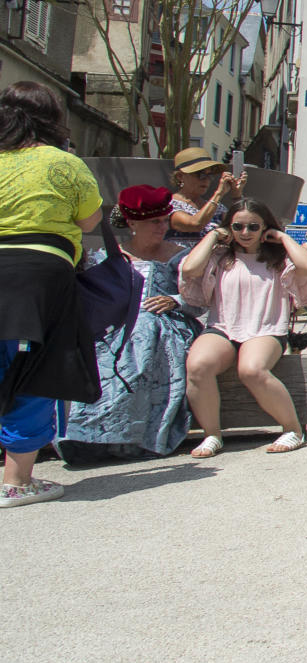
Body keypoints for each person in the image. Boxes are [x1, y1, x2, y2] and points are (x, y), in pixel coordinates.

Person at [0, 81, 103, 507]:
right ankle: (16, 480)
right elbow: (90, 219)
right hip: (40, 274)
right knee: (32, 366)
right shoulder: (64, 164)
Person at [59, 185, 203, 462]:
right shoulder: (105, 256)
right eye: (154, 222)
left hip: (164, 326)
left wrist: (175, 300)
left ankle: (133, 438)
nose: (162, 227)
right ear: (133, 223)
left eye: (164, 220)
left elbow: (202, 300)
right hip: (113, 326)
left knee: (143, 332)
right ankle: (85, 437)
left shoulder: (181, 256)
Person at [179, 200, 307, 457]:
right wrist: (213, 235)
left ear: (264, 227)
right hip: (223, 327)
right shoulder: (220, 256)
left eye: (253, 226)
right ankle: (212, 434)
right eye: (238, 226)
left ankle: (292, 429)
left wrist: (280, 236)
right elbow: (189, 269)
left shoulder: (279, 259)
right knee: (197, 366)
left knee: (251, 369)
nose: (245, 232)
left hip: (266, 329)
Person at [166, 147, 241, 246]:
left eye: (209, 175)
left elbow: (241, 228)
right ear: (180, 176)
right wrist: (219, 193)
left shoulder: (217, 207)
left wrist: (237, 195)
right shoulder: (168, 205)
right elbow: (195, 224)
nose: (206, 180)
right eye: (200, 174)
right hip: (183, 260)